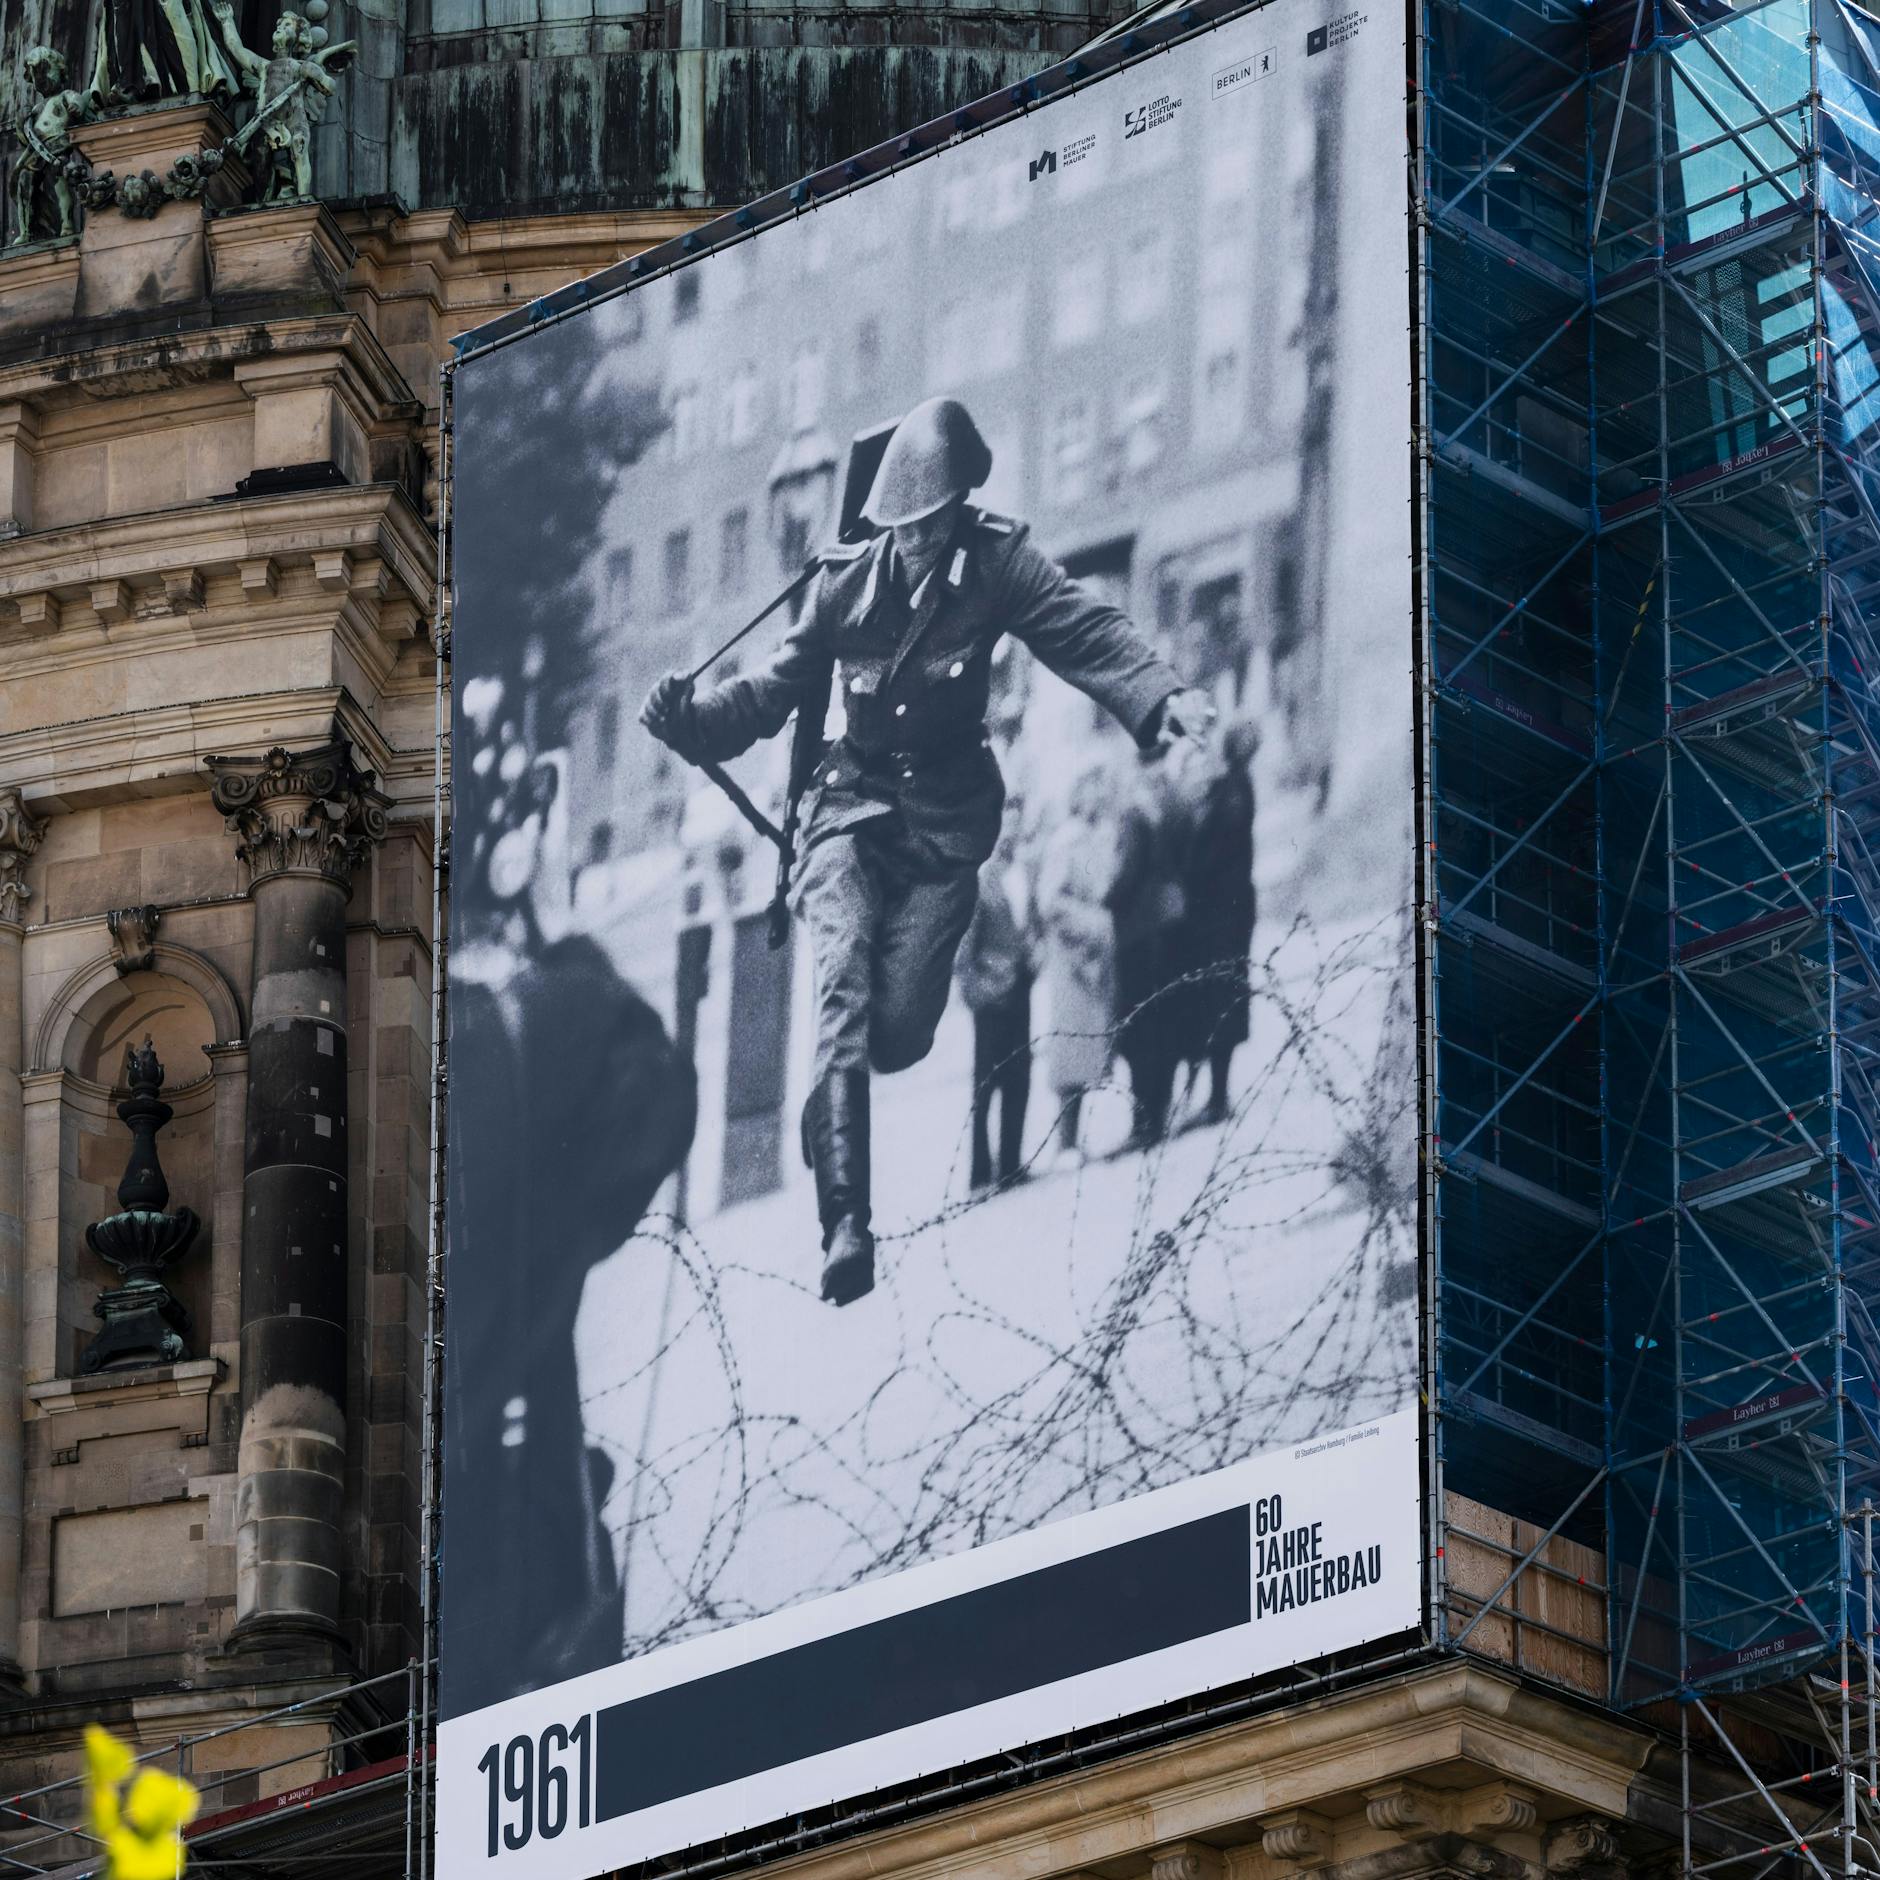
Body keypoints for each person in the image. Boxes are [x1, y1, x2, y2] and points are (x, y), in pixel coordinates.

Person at [642, 396, 1214, 1306]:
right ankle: (845, 1224)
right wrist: (690, 720)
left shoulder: (998, 565)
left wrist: (1160, 695)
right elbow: (768, 696)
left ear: (957, 512)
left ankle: (828, 1113)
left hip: (946, 827)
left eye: (928, 526)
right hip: (849, 807)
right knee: (840, 985)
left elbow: (1082, 629)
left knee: (899, 1034)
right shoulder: (841, 586)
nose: (911, 545)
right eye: (898, 528)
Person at [444, 685, 698, 1716]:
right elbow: (651, 1102)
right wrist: (551, 933)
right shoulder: (534, 1021)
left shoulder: (383, 1030)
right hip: (516, 1514)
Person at [1109, 741, 1195, 1152]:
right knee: (1165, 1021)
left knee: (1139, 1027)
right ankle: (1160, 1114)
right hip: (1173, 921)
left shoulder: (1133, 810)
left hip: (1138, 930)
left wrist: (1104, 899)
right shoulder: (1178, 798)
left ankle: (1143, 1123)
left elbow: (1125, 876)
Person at [1037, 764, 1117, 1163]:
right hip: (1072, 959)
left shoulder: (1097, 836)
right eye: (1093, 789)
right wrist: (1091, 922)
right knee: (1071, 1049)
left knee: (1088, 1050)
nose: (1100, 797)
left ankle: (1075, 1139)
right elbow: (1050, 901)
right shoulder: (1065, 841)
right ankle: (1065, 1142)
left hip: (1094, 955)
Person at [957, 798, 1037, 1192]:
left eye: (1018, 825)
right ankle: (978, 1171)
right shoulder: (978, 879)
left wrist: (1034, 954)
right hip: (991, 997)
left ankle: (1011, 1165)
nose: (1012, 833)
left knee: (1019, 1078)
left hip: (1021, 988)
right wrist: (978, 993)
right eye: (1006, 824)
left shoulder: (1024, 873)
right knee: (985, 1085)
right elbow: (963, 952)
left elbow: (1031, 924)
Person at [1181, 719, 1259, 1126]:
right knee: (1218, 999)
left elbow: (1208, 853)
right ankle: (1213, 1095)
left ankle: (1216, 1098)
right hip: (1227, 910)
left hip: (1219, 914)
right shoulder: (1236, 785)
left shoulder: (1230, 789)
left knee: (1218, 1001)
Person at [209, 0, 355, 204]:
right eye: (279, 25)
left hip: (294, 118)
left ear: (299, 38)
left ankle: (302, 197)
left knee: (299, 150)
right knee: (261, 160)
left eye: (286, 26)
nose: (280, 28)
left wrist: (318, 75)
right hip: (266, 121)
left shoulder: (301, 67)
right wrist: (227, 22)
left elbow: (329, 86)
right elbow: (236, 48)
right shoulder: (265, 67)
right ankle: (264, 199)